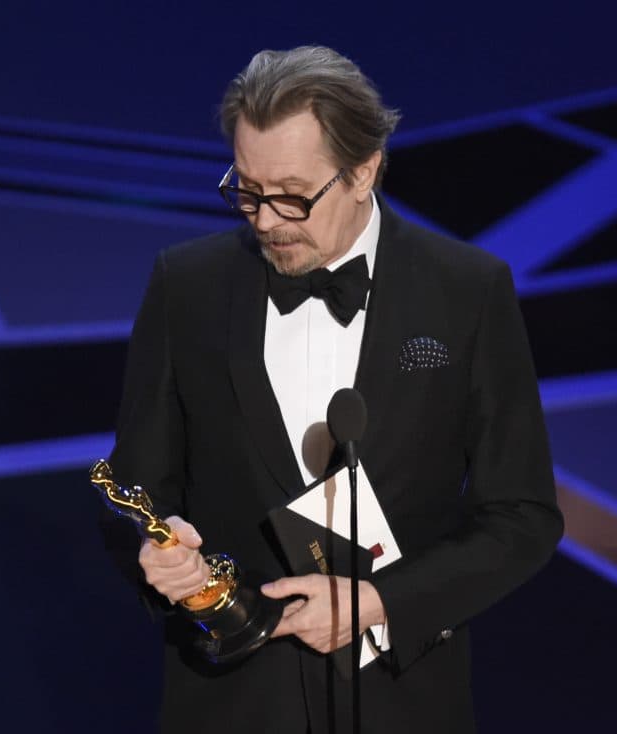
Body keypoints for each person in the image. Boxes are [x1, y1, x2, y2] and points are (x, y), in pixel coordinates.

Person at [101, 45, 563, 733]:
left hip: (403, 704)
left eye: (291, 194)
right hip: (231, 703)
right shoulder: (186, 288)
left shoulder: (467, 292)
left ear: (365, 169)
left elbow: (523, 516)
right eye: (246, 189)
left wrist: (380, 602)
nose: (263, 219)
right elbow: (135, 487)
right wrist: (156, 555)